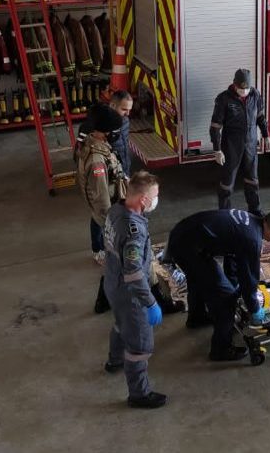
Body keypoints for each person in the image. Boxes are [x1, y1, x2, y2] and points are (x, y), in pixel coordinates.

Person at [163, 209, 270, 361]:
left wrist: (233, 283)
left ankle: (197, 317)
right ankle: (221, 349)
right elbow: (249, 278)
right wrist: (253, 307)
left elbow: (234, 256)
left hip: (183, 235)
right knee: (226, 299)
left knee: (199, 277)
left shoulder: (252, 221)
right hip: (188, 247)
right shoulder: (252, 239)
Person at [102, 171, 166, 409]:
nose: (157, 199)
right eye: (155, 195)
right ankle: (139, 394)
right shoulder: (134, 231)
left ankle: (114, 361)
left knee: (120, 325)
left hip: (111, 282)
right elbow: (134, 274)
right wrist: (149, 302)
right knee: (140, 344)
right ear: (143, 200)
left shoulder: (115, 211)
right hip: (129, 293)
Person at [76, 104, 127, 313]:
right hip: (109, 215)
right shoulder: (97, 160)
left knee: (116, 259)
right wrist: (114, 222)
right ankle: (104, 299)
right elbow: (102, 198)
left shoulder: (94, 144)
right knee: (116, 259)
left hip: (109, 211)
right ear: (107, 131)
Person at [76, 90, 134, 265]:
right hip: (105, 182)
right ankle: (100, 249)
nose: (127, 114)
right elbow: (101, 200)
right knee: (100, 217)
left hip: (117, 173)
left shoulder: (118, 124)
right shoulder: (96, 158)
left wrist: (123, 174)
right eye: (124, 109)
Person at [210, 68, 270, 215]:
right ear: (234, 85)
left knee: (252, 180)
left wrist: (266, 134)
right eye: (240, 88)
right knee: (227, 183)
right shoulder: (224, 99)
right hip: (231, 146)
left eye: (246, 88)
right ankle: (224, 213)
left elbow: (260, 117)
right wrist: (217, 149)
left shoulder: (255, 95)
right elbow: (215, 127)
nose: (244, 91)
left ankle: (255, 210)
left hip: (250, 145)